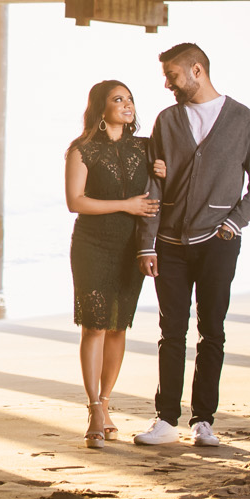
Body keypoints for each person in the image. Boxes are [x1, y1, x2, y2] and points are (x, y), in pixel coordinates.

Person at [131, 43, 250, 447]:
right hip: (170, 243)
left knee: (212, 330)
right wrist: (147, 244)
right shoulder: (167, 120)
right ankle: (165, 420)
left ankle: (203, 421)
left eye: (172, 75)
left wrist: (233, 223)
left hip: (218, 242)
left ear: (196, 70)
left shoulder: (243, 120)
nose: (166, 83)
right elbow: (153, 183)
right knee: (170, 331)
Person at [64, 80, 157, 447]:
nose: (127, 104)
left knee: (118, 327)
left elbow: (163, 183)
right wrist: (126, 205)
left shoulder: (146, 148)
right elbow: (76, 201)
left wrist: (162, 169)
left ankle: (106, 402)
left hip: (130, 247)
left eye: (130, 99)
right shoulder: (82, 150)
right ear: (101, 109)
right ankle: (93, 409)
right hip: (92, 244)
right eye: (118, 99)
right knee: (95, 327)